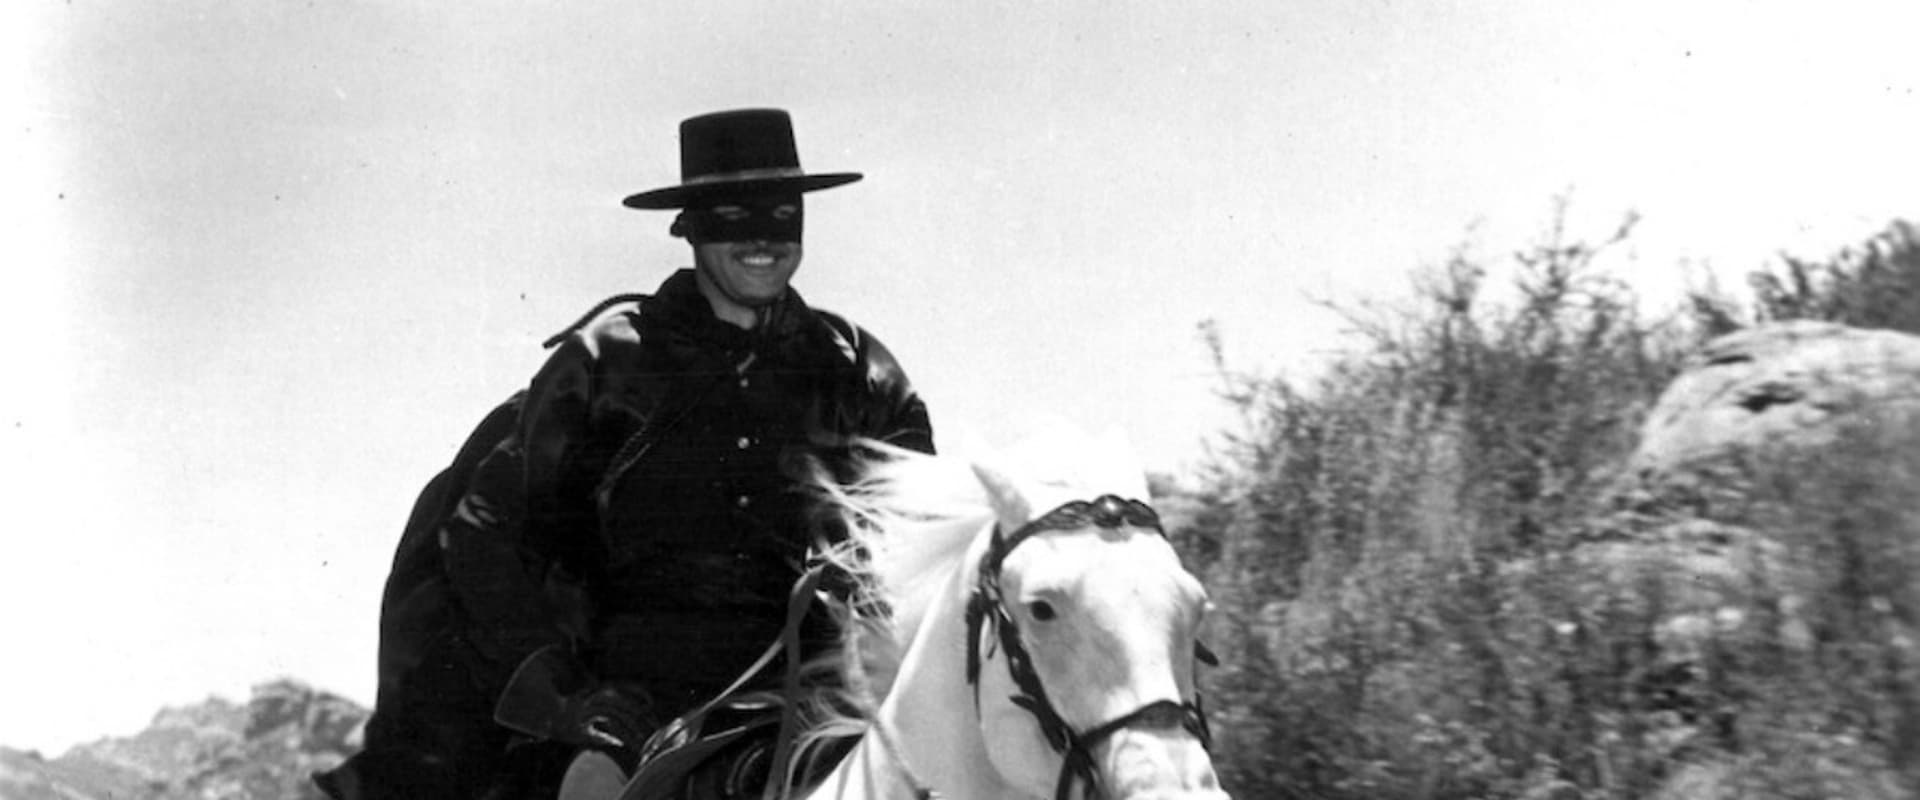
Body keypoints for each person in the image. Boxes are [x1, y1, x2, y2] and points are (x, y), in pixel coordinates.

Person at [317, 108, 935, 800]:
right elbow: (484, 535)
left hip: (825, 699)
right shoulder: (609, 363)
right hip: (634, 711)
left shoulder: (857, 370)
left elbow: (921, 539)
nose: (763, 238)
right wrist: (565, 701)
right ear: (689, 227)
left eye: (782, 214)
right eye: (734, 215)